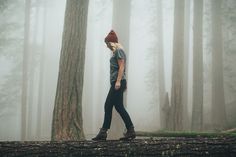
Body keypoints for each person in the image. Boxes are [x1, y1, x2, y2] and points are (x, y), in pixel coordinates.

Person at [92, 30, 136, 141]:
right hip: (118, 81)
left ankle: (104, 132)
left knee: (108, 105)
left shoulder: (119, 51)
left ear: (112, 43)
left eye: (107, 44)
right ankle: (130, 130)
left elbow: (121, 67)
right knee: (119, 107)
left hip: (118, 81)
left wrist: (118, 81)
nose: (107, 46)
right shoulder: (116, 52)